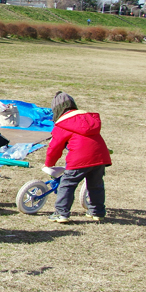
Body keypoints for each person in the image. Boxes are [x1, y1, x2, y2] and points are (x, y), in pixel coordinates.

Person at [45, 92, 111, 223]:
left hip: (79, 159)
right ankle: (97, 211)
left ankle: (61, 212)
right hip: (100, 157)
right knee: (96, 185)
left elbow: (54, 147)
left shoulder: (62, 125)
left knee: (67, 184)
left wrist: (49, 163)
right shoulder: (89, 120)